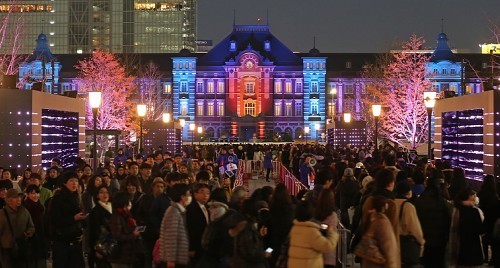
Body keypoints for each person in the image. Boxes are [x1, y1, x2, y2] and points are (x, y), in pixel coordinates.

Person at [49, 172, 87, 268]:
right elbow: (54, 220)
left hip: (75, 240)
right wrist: (74, 218)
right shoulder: (58, 198)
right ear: (65, 183)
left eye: (76, 181)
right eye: (71, 181)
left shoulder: (77, 197)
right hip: (62, 241)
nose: (74, 183)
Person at [288, 200, 338, 268]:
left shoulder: (294, 228)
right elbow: (327, 246)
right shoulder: (312, 231)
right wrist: (332, 233)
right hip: (309, 264)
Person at [414, 177, 451, 268]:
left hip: (424, 237)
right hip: (440, 238)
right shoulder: (442, 201)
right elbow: (448, 220)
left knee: (427, 262)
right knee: (439, 262)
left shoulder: (420, 200)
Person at [359, 195, 399, 268]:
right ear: (384, 208)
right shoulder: (383, 223)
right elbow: (389, 249)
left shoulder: (370, 220)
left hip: (369, 263)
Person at [0, 188, 35, 268]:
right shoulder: (2, 214)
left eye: (20, 197)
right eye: (16, 197)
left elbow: (31, 226)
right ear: (8, 200)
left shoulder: (24, 211)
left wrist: (29, 232)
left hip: (21, 247)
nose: (19, 199)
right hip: (7, 250)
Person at [159, 183, 191, 268]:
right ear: (182, 197)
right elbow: (171, 236)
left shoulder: (179, 211)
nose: (189, 197)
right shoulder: (173, 212)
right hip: (174, 261)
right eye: (188, 195)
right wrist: (170, 260)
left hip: (179, 258)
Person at [450, 188, 484, 267]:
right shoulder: (475, 211)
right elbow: (480, 228)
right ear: (469, 196)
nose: (475, 196)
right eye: (473, 195)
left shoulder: (456, 209)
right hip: (474, 246)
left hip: (460, 245)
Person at [108, 191, 143, 267]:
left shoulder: (126, 215)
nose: (130, 203)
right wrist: (133, 235)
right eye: (128, 201)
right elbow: (117, 236)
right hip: (120, 256)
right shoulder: (117, 217)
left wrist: (139, 228)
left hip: (128, 255)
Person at [394, 182, 425, 267]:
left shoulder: (390, 203)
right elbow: (414, 228)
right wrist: (421, 242)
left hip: (391, 244)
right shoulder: (408, 206)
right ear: (408, 192)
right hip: (404, 246)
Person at [267, 183, 294, 265]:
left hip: (274, 246)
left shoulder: (272, 210)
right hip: (288, 247)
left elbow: (269, 233)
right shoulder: (292, 211)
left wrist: (268, 250)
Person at [23, 184, 48, 268]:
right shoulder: (26, 206)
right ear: (27, 194)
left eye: (37, 193)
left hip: (40, 235)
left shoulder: (39, 205)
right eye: (33, 193)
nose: (35, 195)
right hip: (32, 237)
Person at [186, 183, 211, 266]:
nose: (205, 195)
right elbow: (190, 229)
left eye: (207, 193)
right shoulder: (191, 208)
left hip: (204, 245)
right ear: (195, 193)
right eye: (202, 192)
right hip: (195, 246)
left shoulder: (207, 207)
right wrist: (191, 248)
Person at [88, 186, 112, 268]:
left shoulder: (114, 208)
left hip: (114, 246)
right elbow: (93, 232)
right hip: (102, 246)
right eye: (101, 192)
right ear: (97, 195)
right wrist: (97, 249)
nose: (104, 194)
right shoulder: (95, 211)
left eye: (106, 192)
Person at [315, 188, 339, 268]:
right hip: (329, 252)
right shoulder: (332, 216)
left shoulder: (315, 214)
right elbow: (331, 232)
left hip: (316, 252)